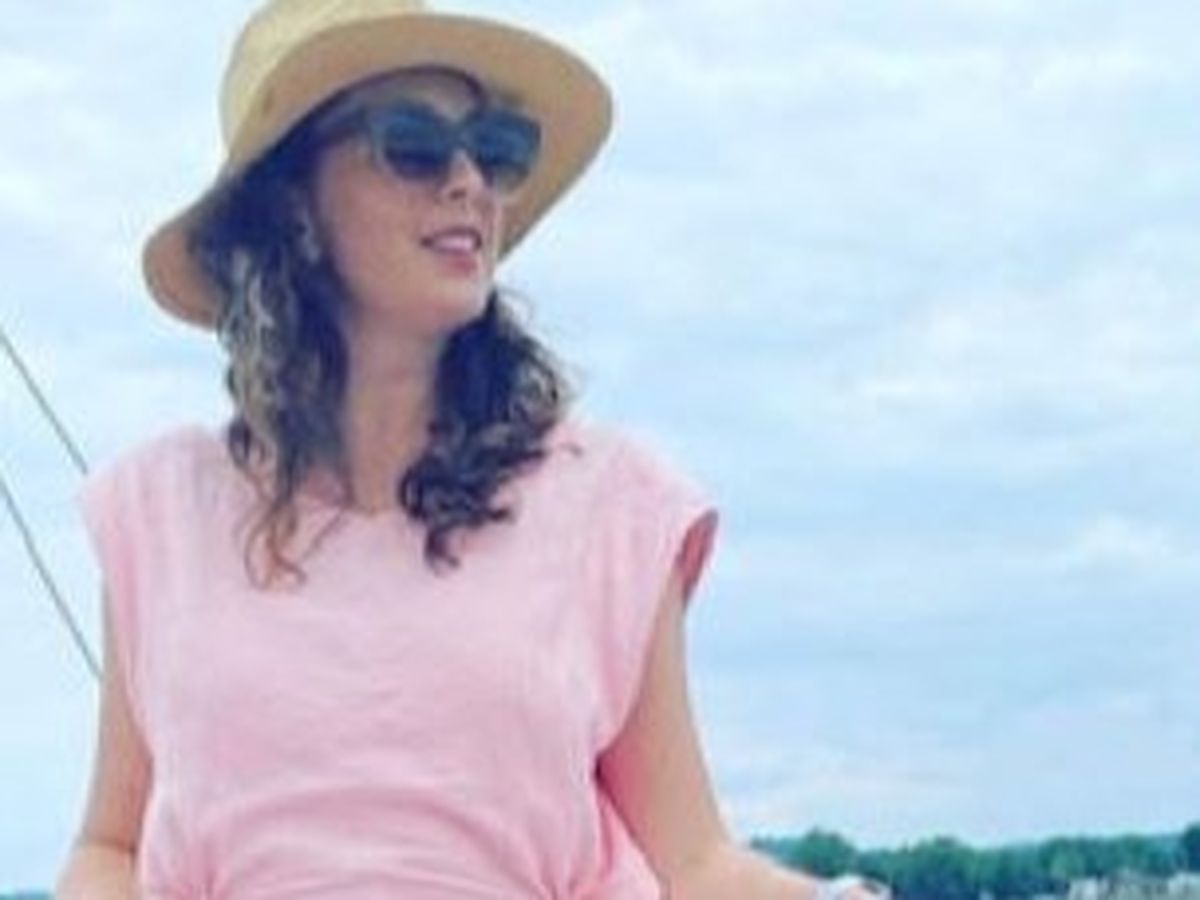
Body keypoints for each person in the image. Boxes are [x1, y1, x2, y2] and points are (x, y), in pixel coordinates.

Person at [54, 1, 891, 898]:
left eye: (494, 150)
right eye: (414, 145)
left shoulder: (610, 508)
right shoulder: (161, 516)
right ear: (291, 200)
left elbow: (694, 863)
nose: (469, 182)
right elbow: (110, 848)